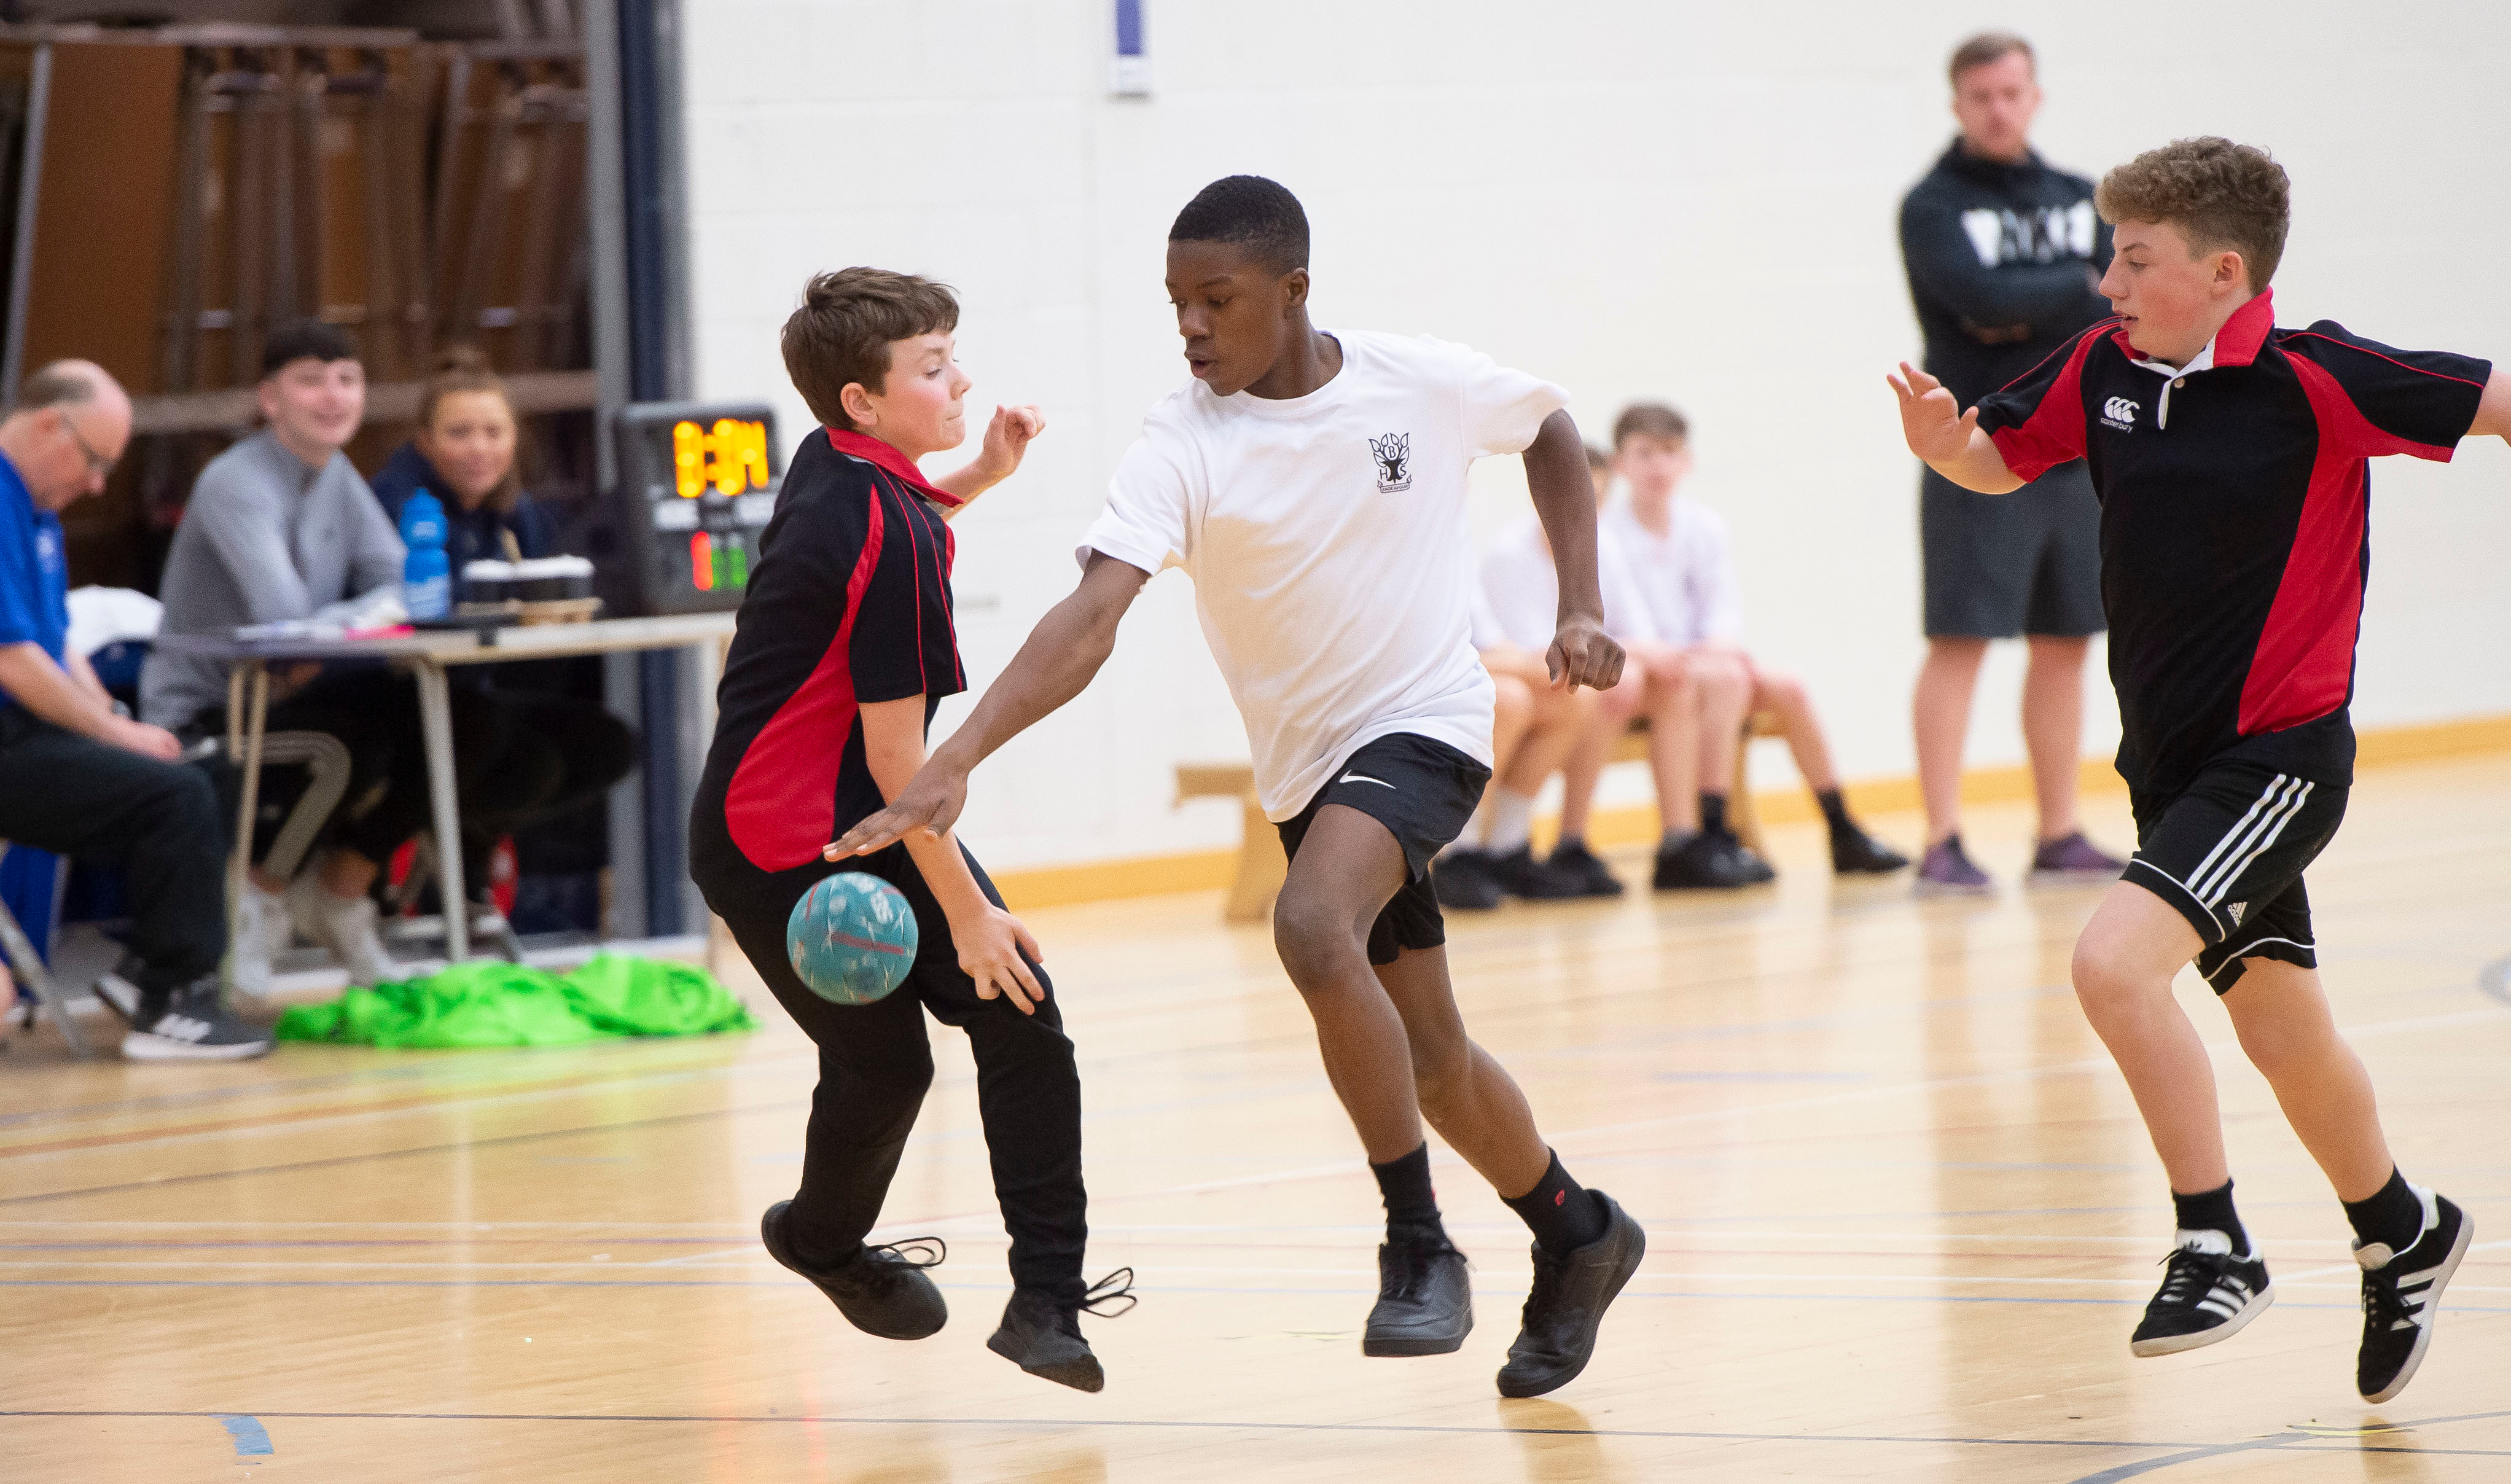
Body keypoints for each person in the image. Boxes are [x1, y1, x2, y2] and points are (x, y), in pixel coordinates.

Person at [832, 178, 1647, 1399]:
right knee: (1429, 1055)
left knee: (1313, 928)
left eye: (1216, 300)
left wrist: (1579, 600)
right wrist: (959, 756)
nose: (1192, 327)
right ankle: (1578, 1229)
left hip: (1429, 722)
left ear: (1294, 291)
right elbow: (1091, 616)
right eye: (1178, 304)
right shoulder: (1182, 438)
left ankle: (1418, 1244)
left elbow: (1550, 429)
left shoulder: (1413, 380)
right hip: (1306, 769)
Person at [1889, 136, 2505, 1403]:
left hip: (2276, 761)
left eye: (2132, 256)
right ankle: (2403, 1229)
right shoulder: (2102, 369)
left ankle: (2210, 1235)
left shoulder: (2316, 375)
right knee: (2284, 1031)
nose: (2104, 277)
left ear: (2222, 270)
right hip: (2166, 771)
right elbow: (1993, 462)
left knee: (2108, 965)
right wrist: (1940, 442)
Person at [684, 270, 1117, 1392]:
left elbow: (889, 526)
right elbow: (901, 767)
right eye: (932, 368)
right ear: (861, 399)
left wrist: (977, 474)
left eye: (951, 354)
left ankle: (1047, 1301)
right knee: (891, 1063)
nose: (960, 377)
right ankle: (818, 1239)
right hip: (779, 846)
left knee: (1015, 1018)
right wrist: (970, 917)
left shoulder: (836, 465)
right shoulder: (889, 531)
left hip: (840, 813)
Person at [1899, 31, 2125, 893]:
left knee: (2067, 640)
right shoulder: (1931, 205)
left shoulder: (2082, 195)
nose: (1999, 108)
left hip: (2077, 447)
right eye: (1982, 95)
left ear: (2036, 95)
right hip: (1976, 447)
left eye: (2012, 92)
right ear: (1958, 104)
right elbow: (1980, 300)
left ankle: (2059, 832)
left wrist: (2043, 310)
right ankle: (1943, 841)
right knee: (1961, 641)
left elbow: (2121, 303)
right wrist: (2071, 287)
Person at [0, 362, 267, 1058]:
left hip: (25, 733)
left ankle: (144, 971)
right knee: (170, 797)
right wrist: (110, 730)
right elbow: (13, 660)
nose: (96, 485)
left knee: (206, 768)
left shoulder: (37, 513)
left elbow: (58, 644)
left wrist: (118, 723)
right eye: (95, 461)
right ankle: (176, 1003)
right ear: (51, 423)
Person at [367, 347, 637, 916]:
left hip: (482, 696)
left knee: (607, 743)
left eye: (494, 432)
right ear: (425, 442)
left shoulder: (520, 516)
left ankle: (468, 841)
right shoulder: (396, 505)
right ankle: (402, 864)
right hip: (399, 700)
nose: (479, 448)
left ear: (515, 440)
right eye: (460, 433)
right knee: (511, 748)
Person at [1604, 403, 1907, 880]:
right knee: (1723, 678)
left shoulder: (1704, 527)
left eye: (1669, 452)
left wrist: (1714, 650)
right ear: (1619, 464)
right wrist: (1698, 657)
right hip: (1643, 670)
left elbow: (1723, 616)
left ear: (1688, 461)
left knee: (1789, 686)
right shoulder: (1606, 535)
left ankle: (1841, 827)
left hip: (1701, 660)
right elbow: (1628, 630)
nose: (1658, 466)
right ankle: (1712, 829)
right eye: (1643, 454)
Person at [1468, 448, 1667, 896]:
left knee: (1583, 696)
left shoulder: (1603, 548)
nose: (1582, 510)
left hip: (1522, 672)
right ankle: (1460, 851)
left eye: (1593, 499)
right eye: (1573, 496)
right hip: (1493, 679)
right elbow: (1525, 656)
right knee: (1517, 701)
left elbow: (1633, 633)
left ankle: (1510, 846)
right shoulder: (1507, 553)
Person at [1429, 578, 1614, 908]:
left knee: (1572, 699)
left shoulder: (1450, 558)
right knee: (1508, 701)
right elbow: (1428, 657)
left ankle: (1507, 845)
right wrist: (1527, 665)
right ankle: (1456, 852)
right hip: (1413, 688)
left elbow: (1491, 642)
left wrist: (1539, 665)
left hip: (1463, 672)